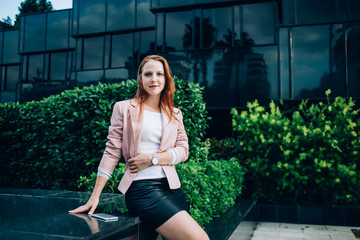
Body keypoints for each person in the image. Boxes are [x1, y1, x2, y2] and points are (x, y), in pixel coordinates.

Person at [69, 55, 209, 240]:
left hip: (173, 189)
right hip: (143, 189)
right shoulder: (124, 108)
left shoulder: (175, 113)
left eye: (159, 74)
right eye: (148, 74)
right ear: (140, 79)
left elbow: (184, 150)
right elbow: (111, 151)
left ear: (166, 79)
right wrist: (95, 196)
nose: (154, 79)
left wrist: (153, 159)